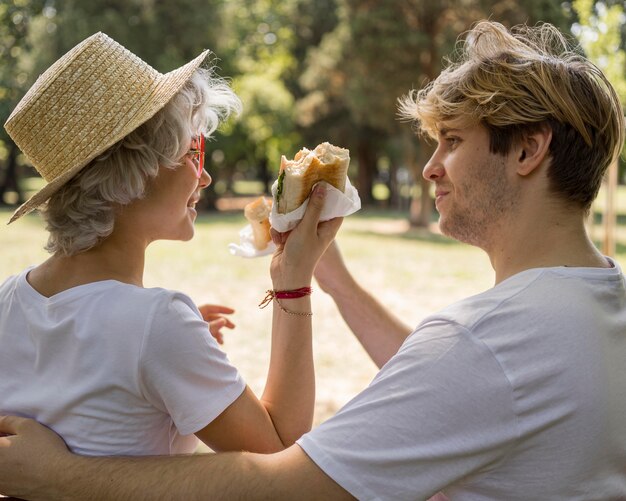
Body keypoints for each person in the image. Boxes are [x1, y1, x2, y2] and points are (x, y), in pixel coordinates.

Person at [1, 19, 625, 500]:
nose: (430, 167)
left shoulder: (481, 345)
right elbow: (466, 380)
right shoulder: (592, 307)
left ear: (529, 151)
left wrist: (62, 477)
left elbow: (284, 484)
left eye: (452, 141)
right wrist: (329, 279)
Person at [0, 32, 342, 461]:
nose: (205, 178)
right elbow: (279, 449)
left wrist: (165, 354)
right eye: (192, 152)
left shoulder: (7, 300)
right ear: (135, 173)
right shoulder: (157, 324)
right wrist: (293, 279)